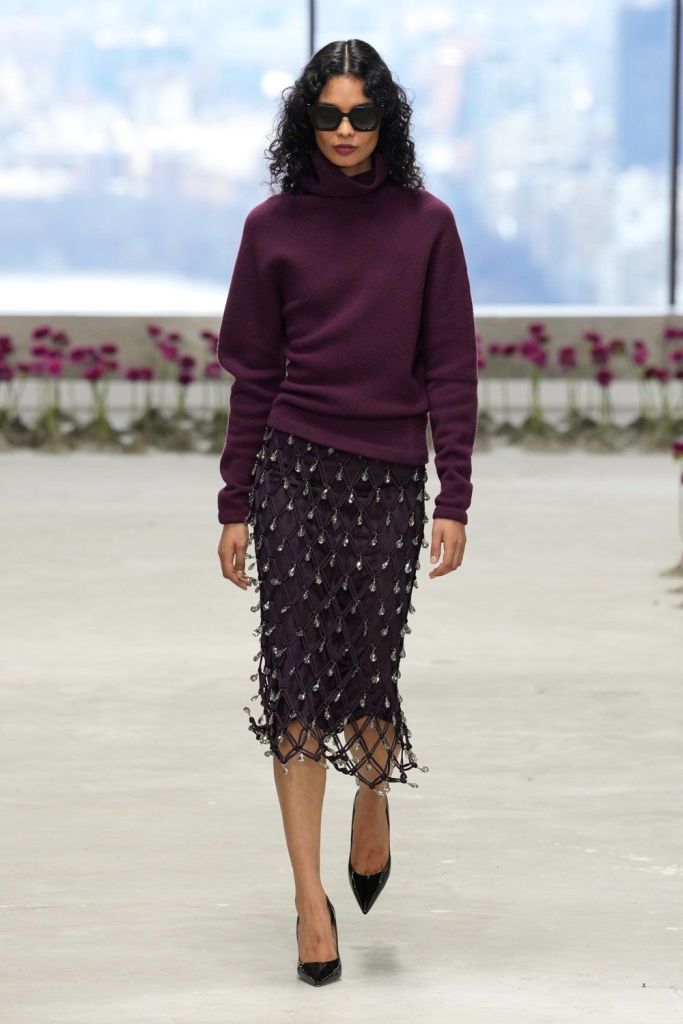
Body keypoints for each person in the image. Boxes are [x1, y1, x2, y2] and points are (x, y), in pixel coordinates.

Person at [216, 39, 478, 986]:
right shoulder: (270, 228)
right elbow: (252, 374)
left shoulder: (427, 225)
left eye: (360, 115)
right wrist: (234, 500)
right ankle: (307, 901)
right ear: (305, 120)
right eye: (326, 115)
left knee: (367, 674)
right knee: (294, 680)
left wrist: (454, 493)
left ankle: (374, 793)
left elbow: (451, 365)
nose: (342, 131)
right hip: (291, 470)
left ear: (385, 121)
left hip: (387, 478)